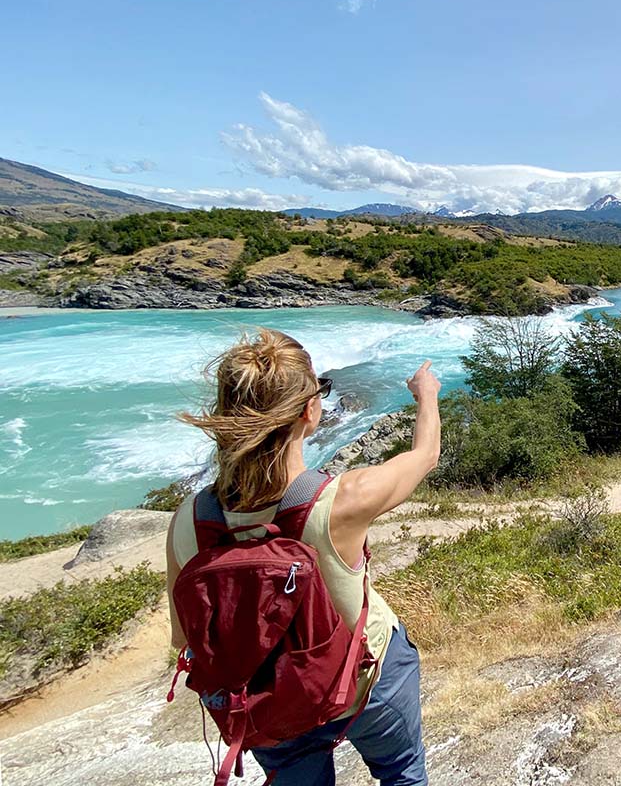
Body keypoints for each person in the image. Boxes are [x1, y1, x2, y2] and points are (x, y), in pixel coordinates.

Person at [165, 329, 441, 786]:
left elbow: (184, 638)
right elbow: (425, 454)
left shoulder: (189, 520)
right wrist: (426, 395)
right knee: (401, 774)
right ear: (311, 411)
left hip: (265, 703)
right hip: (365, 685)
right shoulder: (344, 498)